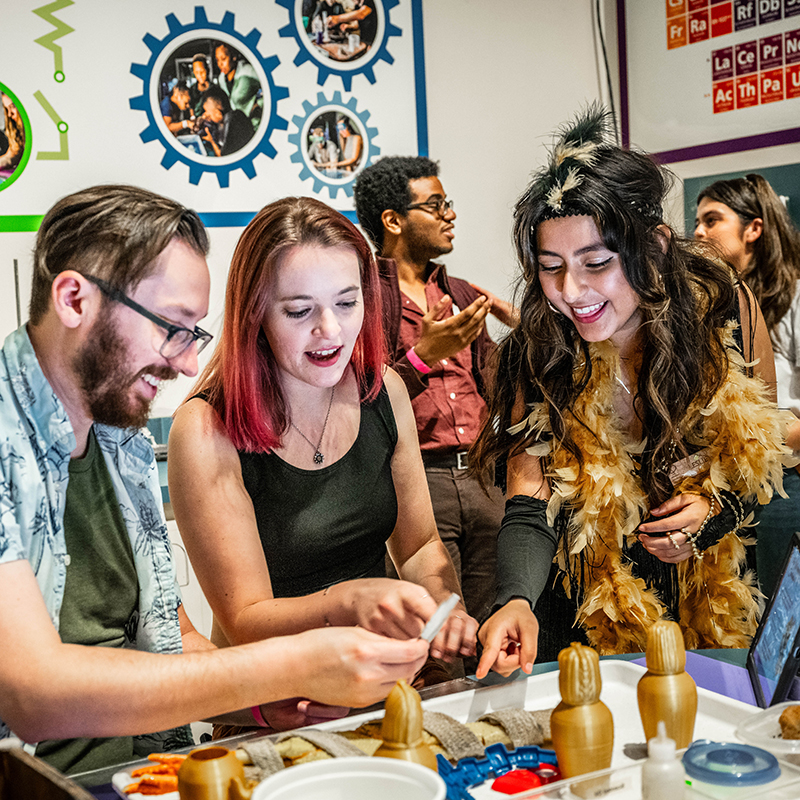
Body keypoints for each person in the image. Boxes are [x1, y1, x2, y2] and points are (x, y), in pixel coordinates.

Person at [0, 185, 429, 775]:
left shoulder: (119, 434)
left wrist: (261, 705)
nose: (186, 364)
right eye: (172, 327)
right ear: (75, 300)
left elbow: (167, 635)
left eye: (194, 333)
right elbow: (33, 695)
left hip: (149, 767)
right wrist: (291, 664)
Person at [471, 108, 793, 680]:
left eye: (596, 263)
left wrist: (715, 512)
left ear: (656, 246)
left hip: (709, 592)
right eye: (551, 267)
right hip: (587, 607)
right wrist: (516, 598)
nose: (572, 291)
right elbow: (529, 494)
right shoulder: (538, 348)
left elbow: (757, 454)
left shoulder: (725, 309)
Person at [167, 197, 476, 689]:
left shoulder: (383, 389)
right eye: (299, 310)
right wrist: (349, 603)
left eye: (347, 303)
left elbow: (419, 546)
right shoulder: (205, 429)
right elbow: (246, 621)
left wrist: (447, 609)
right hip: (278, 693)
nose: (330, 330)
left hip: (388, 670)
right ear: (255, 315)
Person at [354, 156, 514, 632]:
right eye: (436, 205)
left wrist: (529, 332)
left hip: (484, 478)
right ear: (393, 220)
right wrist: (423, 358)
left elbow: (498, 386)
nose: (450, 214)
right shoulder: (363, 296)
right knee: (434, 637)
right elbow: (359, 399)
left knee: (496, 628)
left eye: (448, 203)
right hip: (416, 482)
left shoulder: (460, 292)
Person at [695, 174, 800, 598]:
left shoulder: (794, 299)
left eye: (712, 220)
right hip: (727, 484)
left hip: (784, 481)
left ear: (753, 229)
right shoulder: (710, 306)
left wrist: (762, 438)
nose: (698, 232)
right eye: (697, 222)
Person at [214, 42, 262, 133]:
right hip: (239, 129)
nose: (220, 64)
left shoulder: (248, 72)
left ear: (234, 57)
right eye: (217, 60)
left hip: (256, 126)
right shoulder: (221, 79)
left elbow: (271, 88)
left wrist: (258, 105)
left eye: (223, 59)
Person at [189, 53, 227, 117]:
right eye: (197, 72)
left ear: (207, 70)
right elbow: (191, 110)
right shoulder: (191, 91)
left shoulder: (216, 90)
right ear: (194, 73)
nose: (200, 75)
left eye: (202, 71)